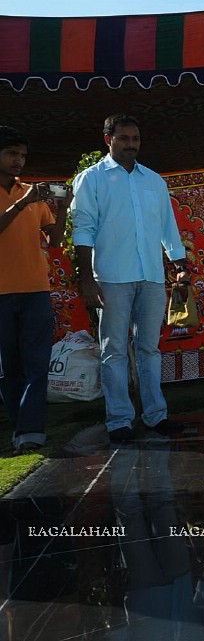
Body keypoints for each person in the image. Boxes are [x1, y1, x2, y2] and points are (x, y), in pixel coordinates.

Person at [71, 114, 189, 443]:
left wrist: (179, 265)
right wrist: (87, 280)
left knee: (150, 349)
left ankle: (155, 415)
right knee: (114, 351)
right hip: (110, 277)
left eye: (135, 138)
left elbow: (168, 227)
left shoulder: (153, 180)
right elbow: (83, 230)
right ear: (107, 139)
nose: (131, 144)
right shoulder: (90, 180)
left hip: (151, 275)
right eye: (123, 138)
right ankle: (119, 420)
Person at [0, 126, 70, 454]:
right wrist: (22, 203)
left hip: (36, 292)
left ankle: (30, 433)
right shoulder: (27, 196)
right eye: (12, 153)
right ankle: (20, 428)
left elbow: (54, 241)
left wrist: (64, 208)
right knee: (9, 368)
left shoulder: (32, 193)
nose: (19, 160)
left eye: (23, 155)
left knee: (37, 364)